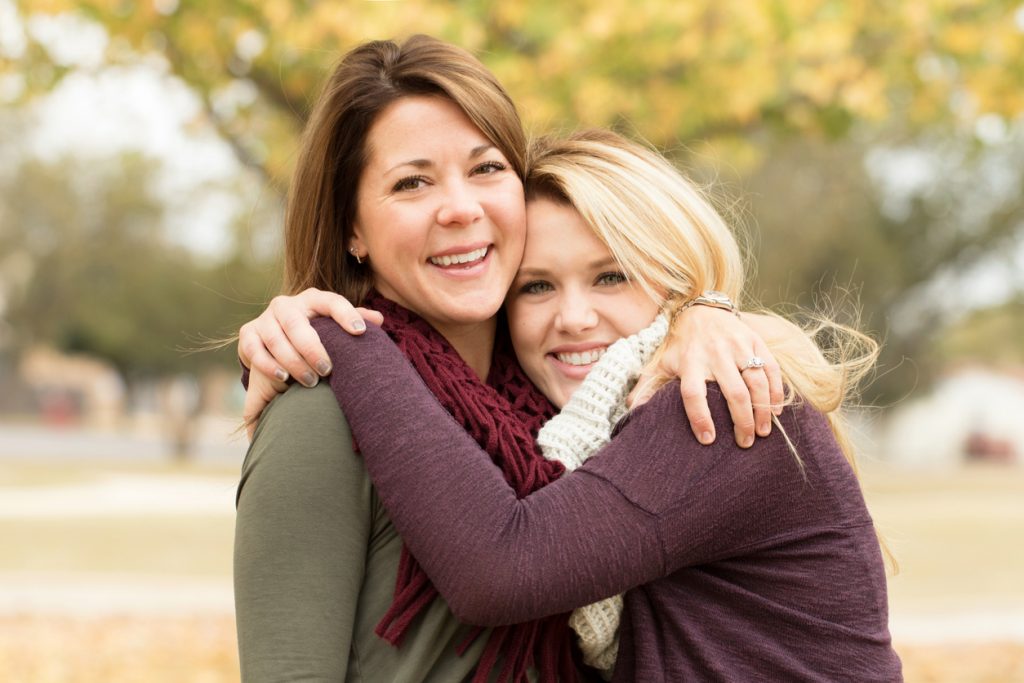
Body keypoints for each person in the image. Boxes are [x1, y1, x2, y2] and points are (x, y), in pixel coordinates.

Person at [233, 35, 782, 682]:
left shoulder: (570, 399)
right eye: (412, 182)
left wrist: (701, 310)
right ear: (352, 226)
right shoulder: (320, 409)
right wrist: (336, 337)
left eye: (487, 168)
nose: (461, 208)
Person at [286, 130, 903, 681]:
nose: (575, 319)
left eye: (611, 276)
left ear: (679, 280)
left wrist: (344, 330)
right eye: (537, 286)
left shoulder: (714, 401)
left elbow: (500, 571)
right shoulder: (581, 426)